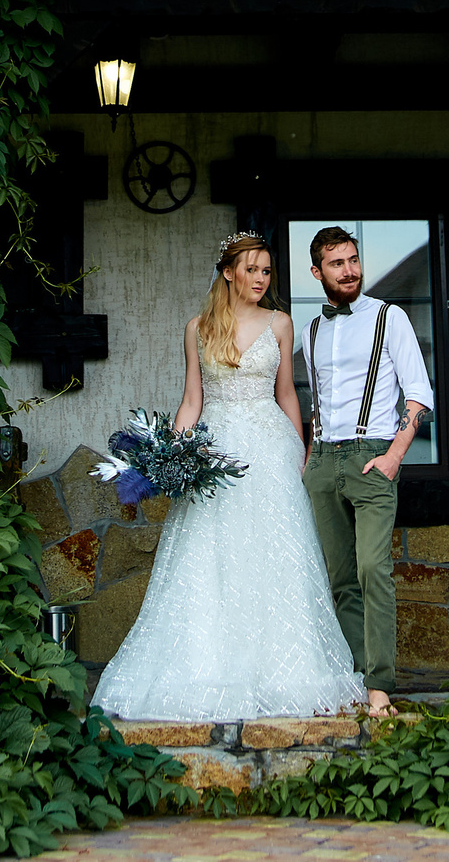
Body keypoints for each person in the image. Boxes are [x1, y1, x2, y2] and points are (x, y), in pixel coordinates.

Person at [91, 231, 367, 721]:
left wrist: (301, 451)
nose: (260, 279)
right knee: (210, 557)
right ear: (228, 271)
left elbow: (287, 394)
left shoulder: (281, 324)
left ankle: (285, 671)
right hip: (213, 447)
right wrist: (169, 454)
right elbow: (192, 400)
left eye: (266, 271)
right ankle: (213, 668)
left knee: (275, 557)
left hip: (270, 451)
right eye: (251, 269)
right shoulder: (198, 327)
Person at [300, 225, 432, 719]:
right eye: (337, 263)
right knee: (340, 579)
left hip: (374, 456)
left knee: (373, 568)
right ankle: (357, 676)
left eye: (353, 260)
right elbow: (319, 401)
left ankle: (380, 687)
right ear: (317, 272)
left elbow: (419, 394)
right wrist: (313, 457)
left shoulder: (388, 317)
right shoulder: (312, 330)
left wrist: (395, 455)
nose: (350, 270)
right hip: (325, 461)